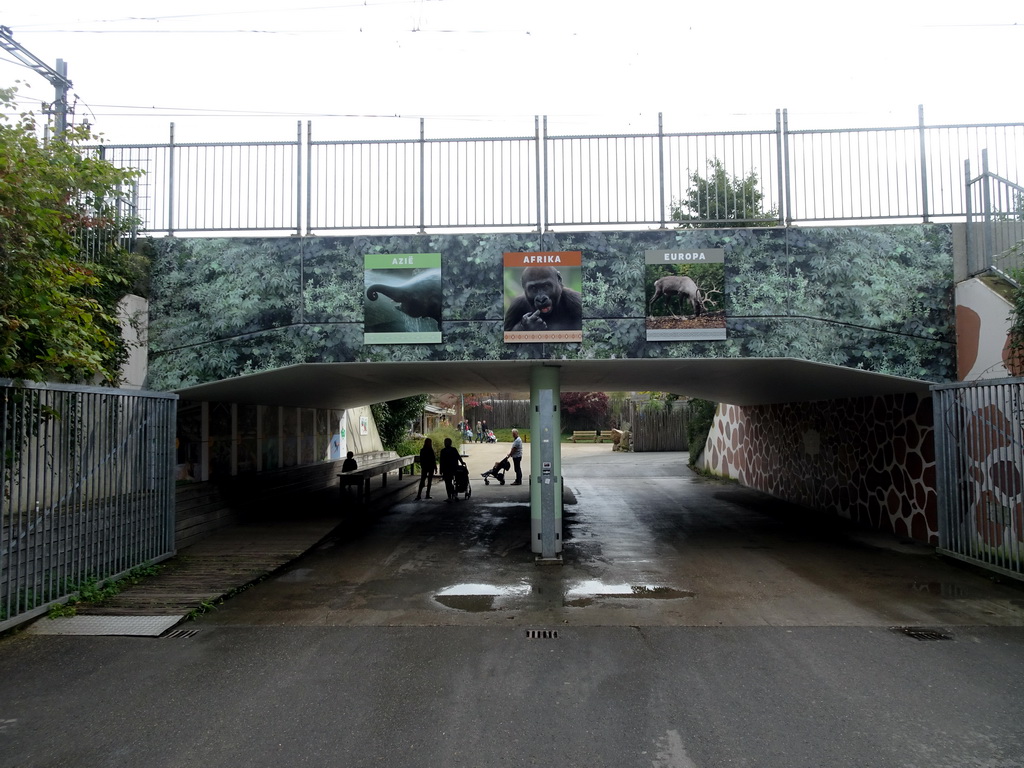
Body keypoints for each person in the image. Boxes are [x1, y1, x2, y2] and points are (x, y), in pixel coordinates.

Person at [438, 437, 466, 501]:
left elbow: (441, 461)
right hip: (454, 468)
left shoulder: (443, 451)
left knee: (448, 483)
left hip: (446, 469)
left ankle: (450, 496)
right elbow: (458, 456)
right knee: (456, 482)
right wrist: (462, 462)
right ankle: (454, 494)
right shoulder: (454, 449)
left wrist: (441, 470)